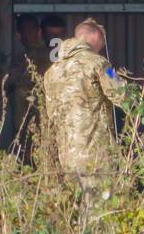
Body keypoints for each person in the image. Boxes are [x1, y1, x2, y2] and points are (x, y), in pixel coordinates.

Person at [42, 18, 127, 205]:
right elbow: (121, 95)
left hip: (66, 154)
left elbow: (51, 113)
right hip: (95, 152)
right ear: (95, 36)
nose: (103, 46)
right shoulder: (99, 63)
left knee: (77, 205)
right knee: (103, 206)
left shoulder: (52, 71)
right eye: (103, 41)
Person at [2, 14, 53, 159]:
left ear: (18, 35)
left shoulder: (20, 61)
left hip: (25, 132)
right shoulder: (56, 58)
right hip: (52, 129)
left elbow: (8, 84)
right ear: (39, 32)